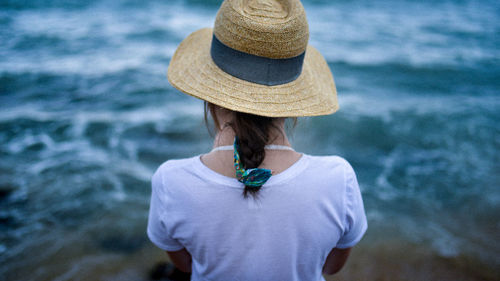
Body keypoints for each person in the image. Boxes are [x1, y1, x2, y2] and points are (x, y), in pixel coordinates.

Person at [147, 0, 368, 280]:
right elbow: (330, 267)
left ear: (210, 95)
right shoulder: (339, 179)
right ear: (293, 101)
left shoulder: (171, 181)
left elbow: (187, 265)